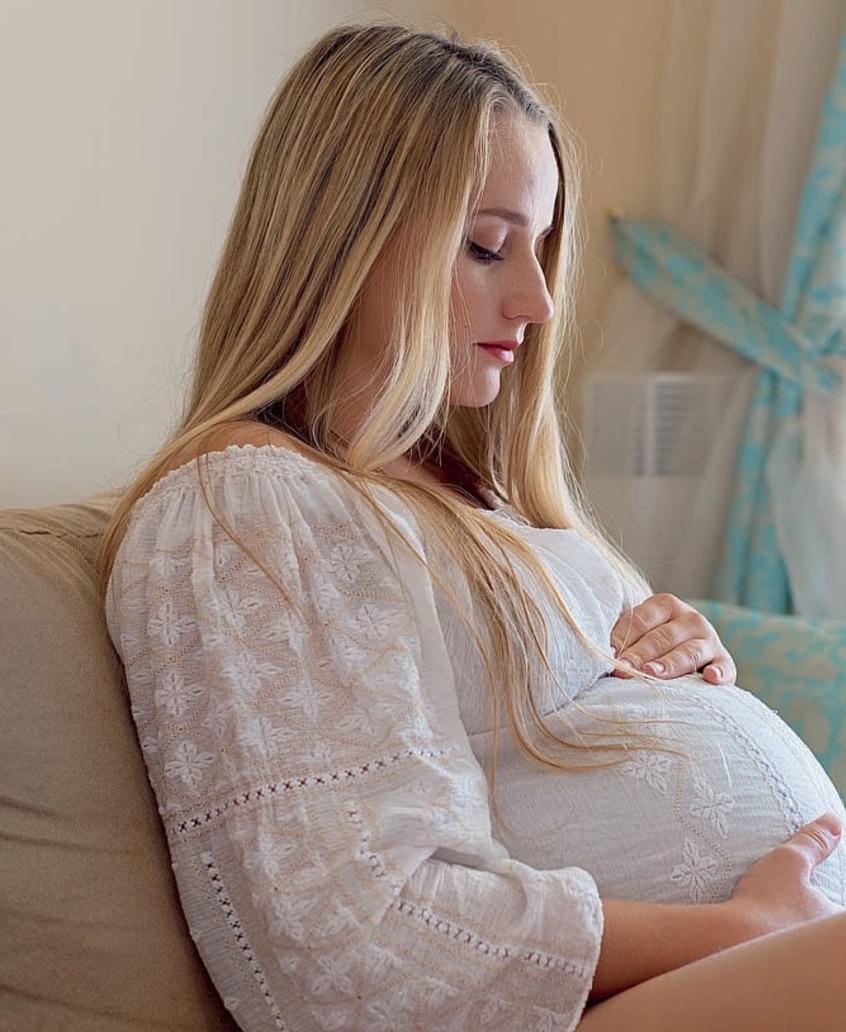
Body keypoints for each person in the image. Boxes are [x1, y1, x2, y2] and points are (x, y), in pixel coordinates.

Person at [99, 21, 846, 1032]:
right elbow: (349, 937)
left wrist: (687, 675)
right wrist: (739, 931)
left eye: (539, 250)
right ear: (344, 239)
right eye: (489, 245)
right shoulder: (244, 506)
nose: (537, 301)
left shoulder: (472, 496)